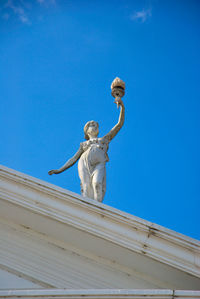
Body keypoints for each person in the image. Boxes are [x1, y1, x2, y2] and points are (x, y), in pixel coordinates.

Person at [48, 97, 125, 202]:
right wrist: (59, 170)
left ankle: (98, 209)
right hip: (84, 163)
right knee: (86, 187)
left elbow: (119, 125)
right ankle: (87, 207)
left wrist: (122, 107)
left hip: (99, 162)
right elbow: (73, 159)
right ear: (87, 131)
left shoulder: (104, 139)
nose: (94, 126)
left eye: (96, 125)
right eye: (91, 125)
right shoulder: (83, 144)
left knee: (97, 183)